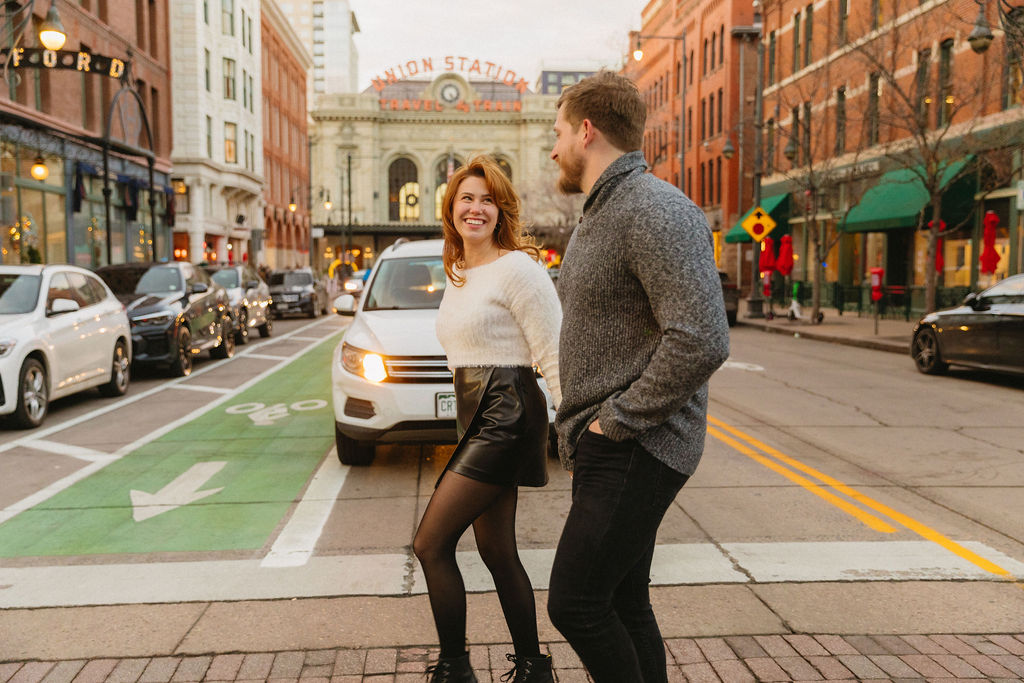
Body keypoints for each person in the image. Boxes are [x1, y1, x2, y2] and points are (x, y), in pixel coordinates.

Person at [545, 71, 730, 682]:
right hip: (610, 444)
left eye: (559, 133)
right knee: (624, 602)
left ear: (587, 131)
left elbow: (702, 337)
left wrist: (615, 421)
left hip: (636, 444)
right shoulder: (605, 212)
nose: (554, 148)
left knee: (575, 603)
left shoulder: (655, 209)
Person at [414, 155, 561, 683]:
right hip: (477, 412)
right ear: (451, 209)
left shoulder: (519, 267)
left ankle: (455, 668)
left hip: (509, 410)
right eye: (466, 199)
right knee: (496, 549)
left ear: (502, 211)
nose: (476, 208)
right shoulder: (458, 273)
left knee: (429, 544)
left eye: (487, 200)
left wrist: (572, 433)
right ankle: (533, 667)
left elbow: (553, 352)